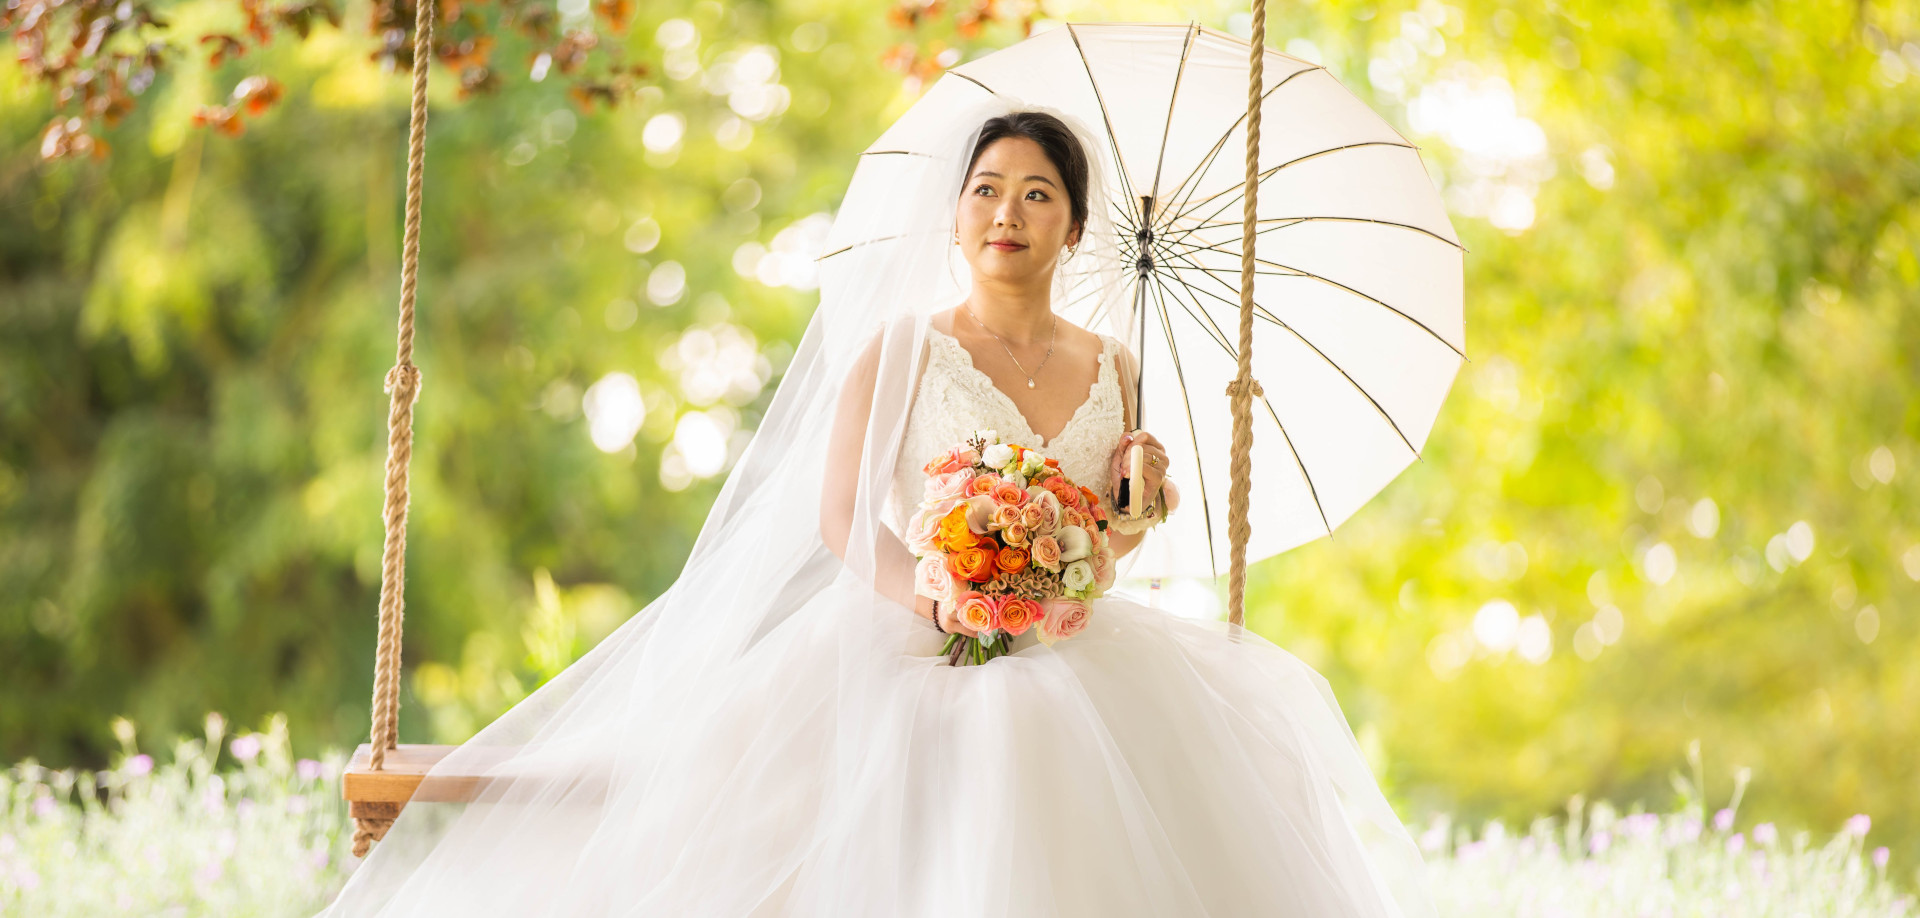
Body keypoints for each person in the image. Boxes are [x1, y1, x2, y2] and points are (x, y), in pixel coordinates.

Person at [315, 105, 1437, 917]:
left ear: (1075, 228)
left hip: (1077, 650)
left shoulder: (1119, 366)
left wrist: (1129, 521)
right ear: (955, 216)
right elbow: (843, 516)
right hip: (908, 643)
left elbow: (1103, 556)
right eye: (987, 189)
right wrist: (945, 600)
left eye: (1037, 193)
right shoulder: (901, 349)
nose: (1008, 212)